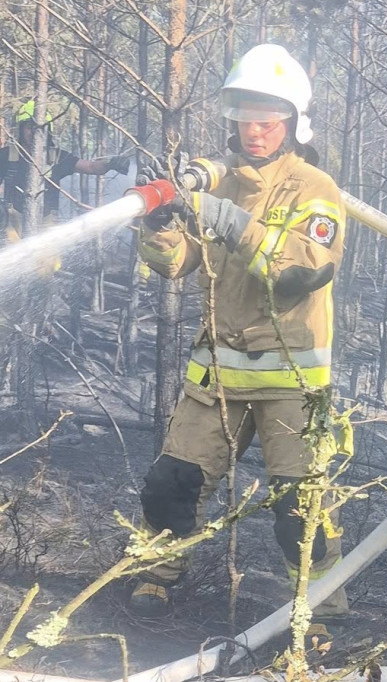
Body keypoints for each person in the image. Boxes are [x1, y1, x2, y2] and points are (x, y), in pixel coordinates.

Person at [127, 44, 350, 642]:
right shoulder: (220, 178)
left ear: (293, 122)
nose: (253, 132)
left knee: (298, 511)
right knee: (172, 483)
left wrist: (226, 219)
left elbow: (304, 268)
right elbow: (179, 263)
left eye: (267, 120)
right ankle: (157, 576)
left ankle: (321, 610)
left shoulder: (314, 188)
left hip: (291, 386)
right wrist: (161, 224)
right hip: (217, 376)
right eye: (244, 119)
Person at [1, 99, 131, 244]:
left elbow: (91, 167)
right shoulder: (7, 155)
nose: (34, 132)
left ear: (47, 130)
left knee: (49, 264)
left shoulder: (56, 156)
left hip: (46, 224)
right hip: (12, 223)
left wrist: (111, 163)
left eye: (39, 128)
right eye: (29, 127)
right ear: (21, 129)